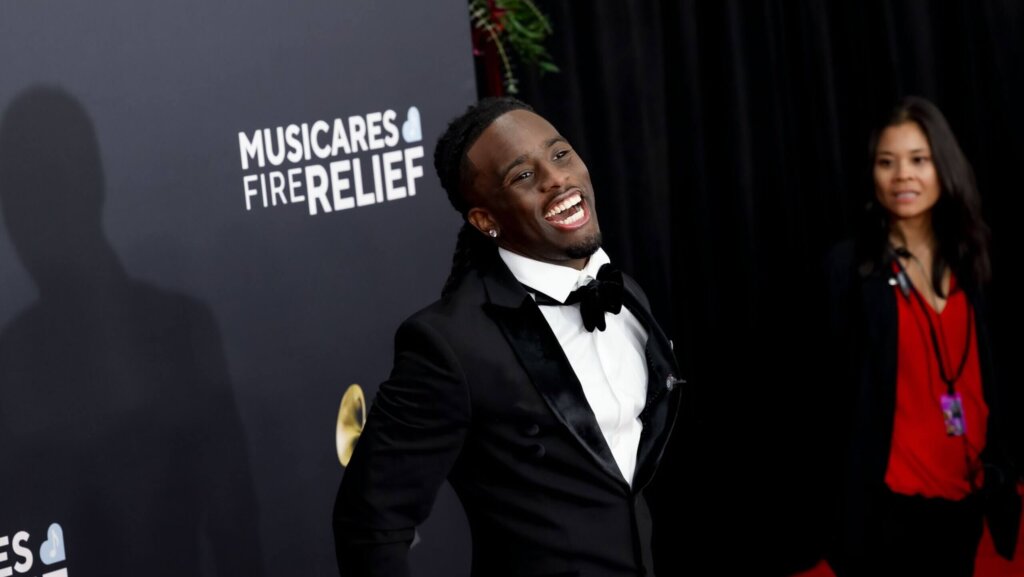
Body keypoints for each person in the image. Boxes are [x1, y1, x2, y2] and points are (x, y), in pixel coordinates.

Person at [332, 97, 683, 576]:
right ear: (484, 220)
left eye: (560, 155)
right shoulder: (451, 345)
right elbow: (371, 522)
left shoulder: (628, 295)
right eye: (522, 176)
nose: (556, 179)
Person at [820, 95, 1021, 576]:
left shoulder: (974, 264)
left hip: (967, 501)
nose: (901, 175)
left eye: (918, 160)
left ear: (943, 166)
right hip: (886, 513)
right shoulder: (850, 270)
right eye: (886, 162)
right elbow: (827, 397)